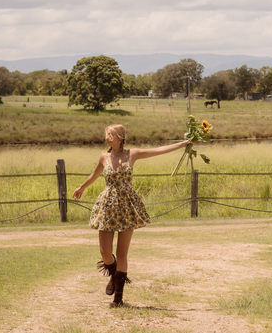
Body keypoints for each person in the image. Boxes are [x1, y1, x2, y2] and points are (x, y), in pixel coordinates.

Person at [72, 124, 188, 307]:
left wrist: (182, 144)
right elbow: (94, 175)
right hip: (107, 206)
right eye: (106, 135)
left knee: (122, 253)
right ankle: (114, 275)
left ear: (120, 136)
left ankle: (118, 299)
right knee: (105, 253)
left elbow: (158, 150)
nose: (107, 138)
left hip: (127, 206)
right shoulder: (104, 156)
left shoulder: (132, 154)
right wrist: (82, 187)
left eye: (110, 135)